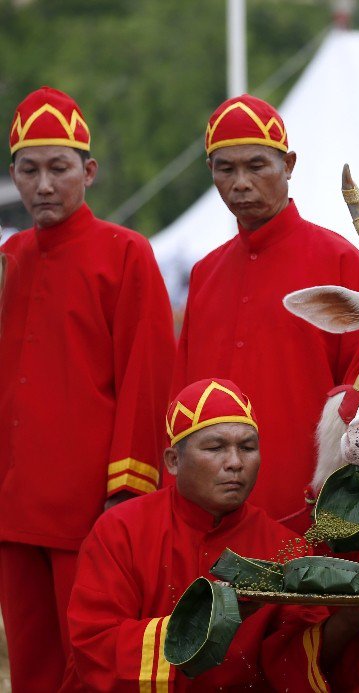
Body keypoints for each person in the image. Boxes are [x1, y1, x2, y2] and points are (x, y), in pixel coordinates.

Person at [62, 378, 359, 691]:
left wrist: (348, 623)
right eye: (215, 448)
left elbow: (293, 661)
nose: (235, 462)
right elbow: (95, 644)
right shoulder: (120, 530)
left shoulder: (282, 547)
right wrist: (214, 617)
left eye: (247, 447)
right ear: (172, 461)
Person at [0, 86, 175, 691]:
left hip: (88, 510)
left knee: (93, 666)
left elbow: (146, 380)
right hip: (13, 505)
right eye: (29, 169)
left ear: (88, 171)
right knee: (30, 666)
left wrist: (126, 494)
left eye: (59, 168)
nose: (43, 185)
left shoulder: (126, 253)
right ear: (14, 174)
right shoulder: (10, 257)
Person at [170, 94, 359, 528]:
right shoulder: (205, 273)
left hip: (312, 507)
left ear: (289, 165)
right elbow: (182, 397)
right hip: (212, 512)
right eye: (225, 169)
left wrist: (346, 499)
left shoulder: (339, 261)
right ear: (211, 172)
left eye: (256, 166)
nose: (240, 182)